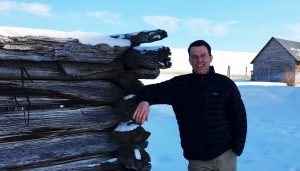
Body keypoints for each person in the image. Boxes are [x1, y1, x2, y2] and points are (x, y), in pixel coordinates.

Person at [133, 40, 247, 171]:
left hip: (225, 155)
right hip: (196, 159)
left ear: (210, 58)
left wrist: (236, 149)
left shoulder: (225, 84)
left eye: (203, 55)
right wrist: (144, 101)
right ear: (189, 60)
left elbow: (239, 117)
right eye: (194, 56)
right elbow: (148, 91)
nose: (199, 60)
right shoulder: (179, 85)